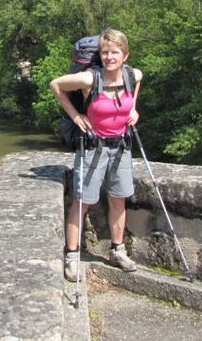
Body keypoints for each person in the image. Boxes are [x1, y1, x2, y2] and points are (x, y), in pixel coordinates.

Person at [50, 28, 142, 282]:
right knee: (82, 202)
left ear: (125, 54)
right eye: (105, 52)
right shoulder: (89, 79)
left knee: (118, 199)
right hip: (92, 148)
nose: (109, 57)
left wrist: (133, 109)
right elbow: (55, 85)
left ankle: (117, 251)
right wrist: (76, 116)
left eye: (115, 52)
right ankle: (71, 255)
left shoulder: (132, 75)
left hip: (121, 147)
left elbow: (137, 84)